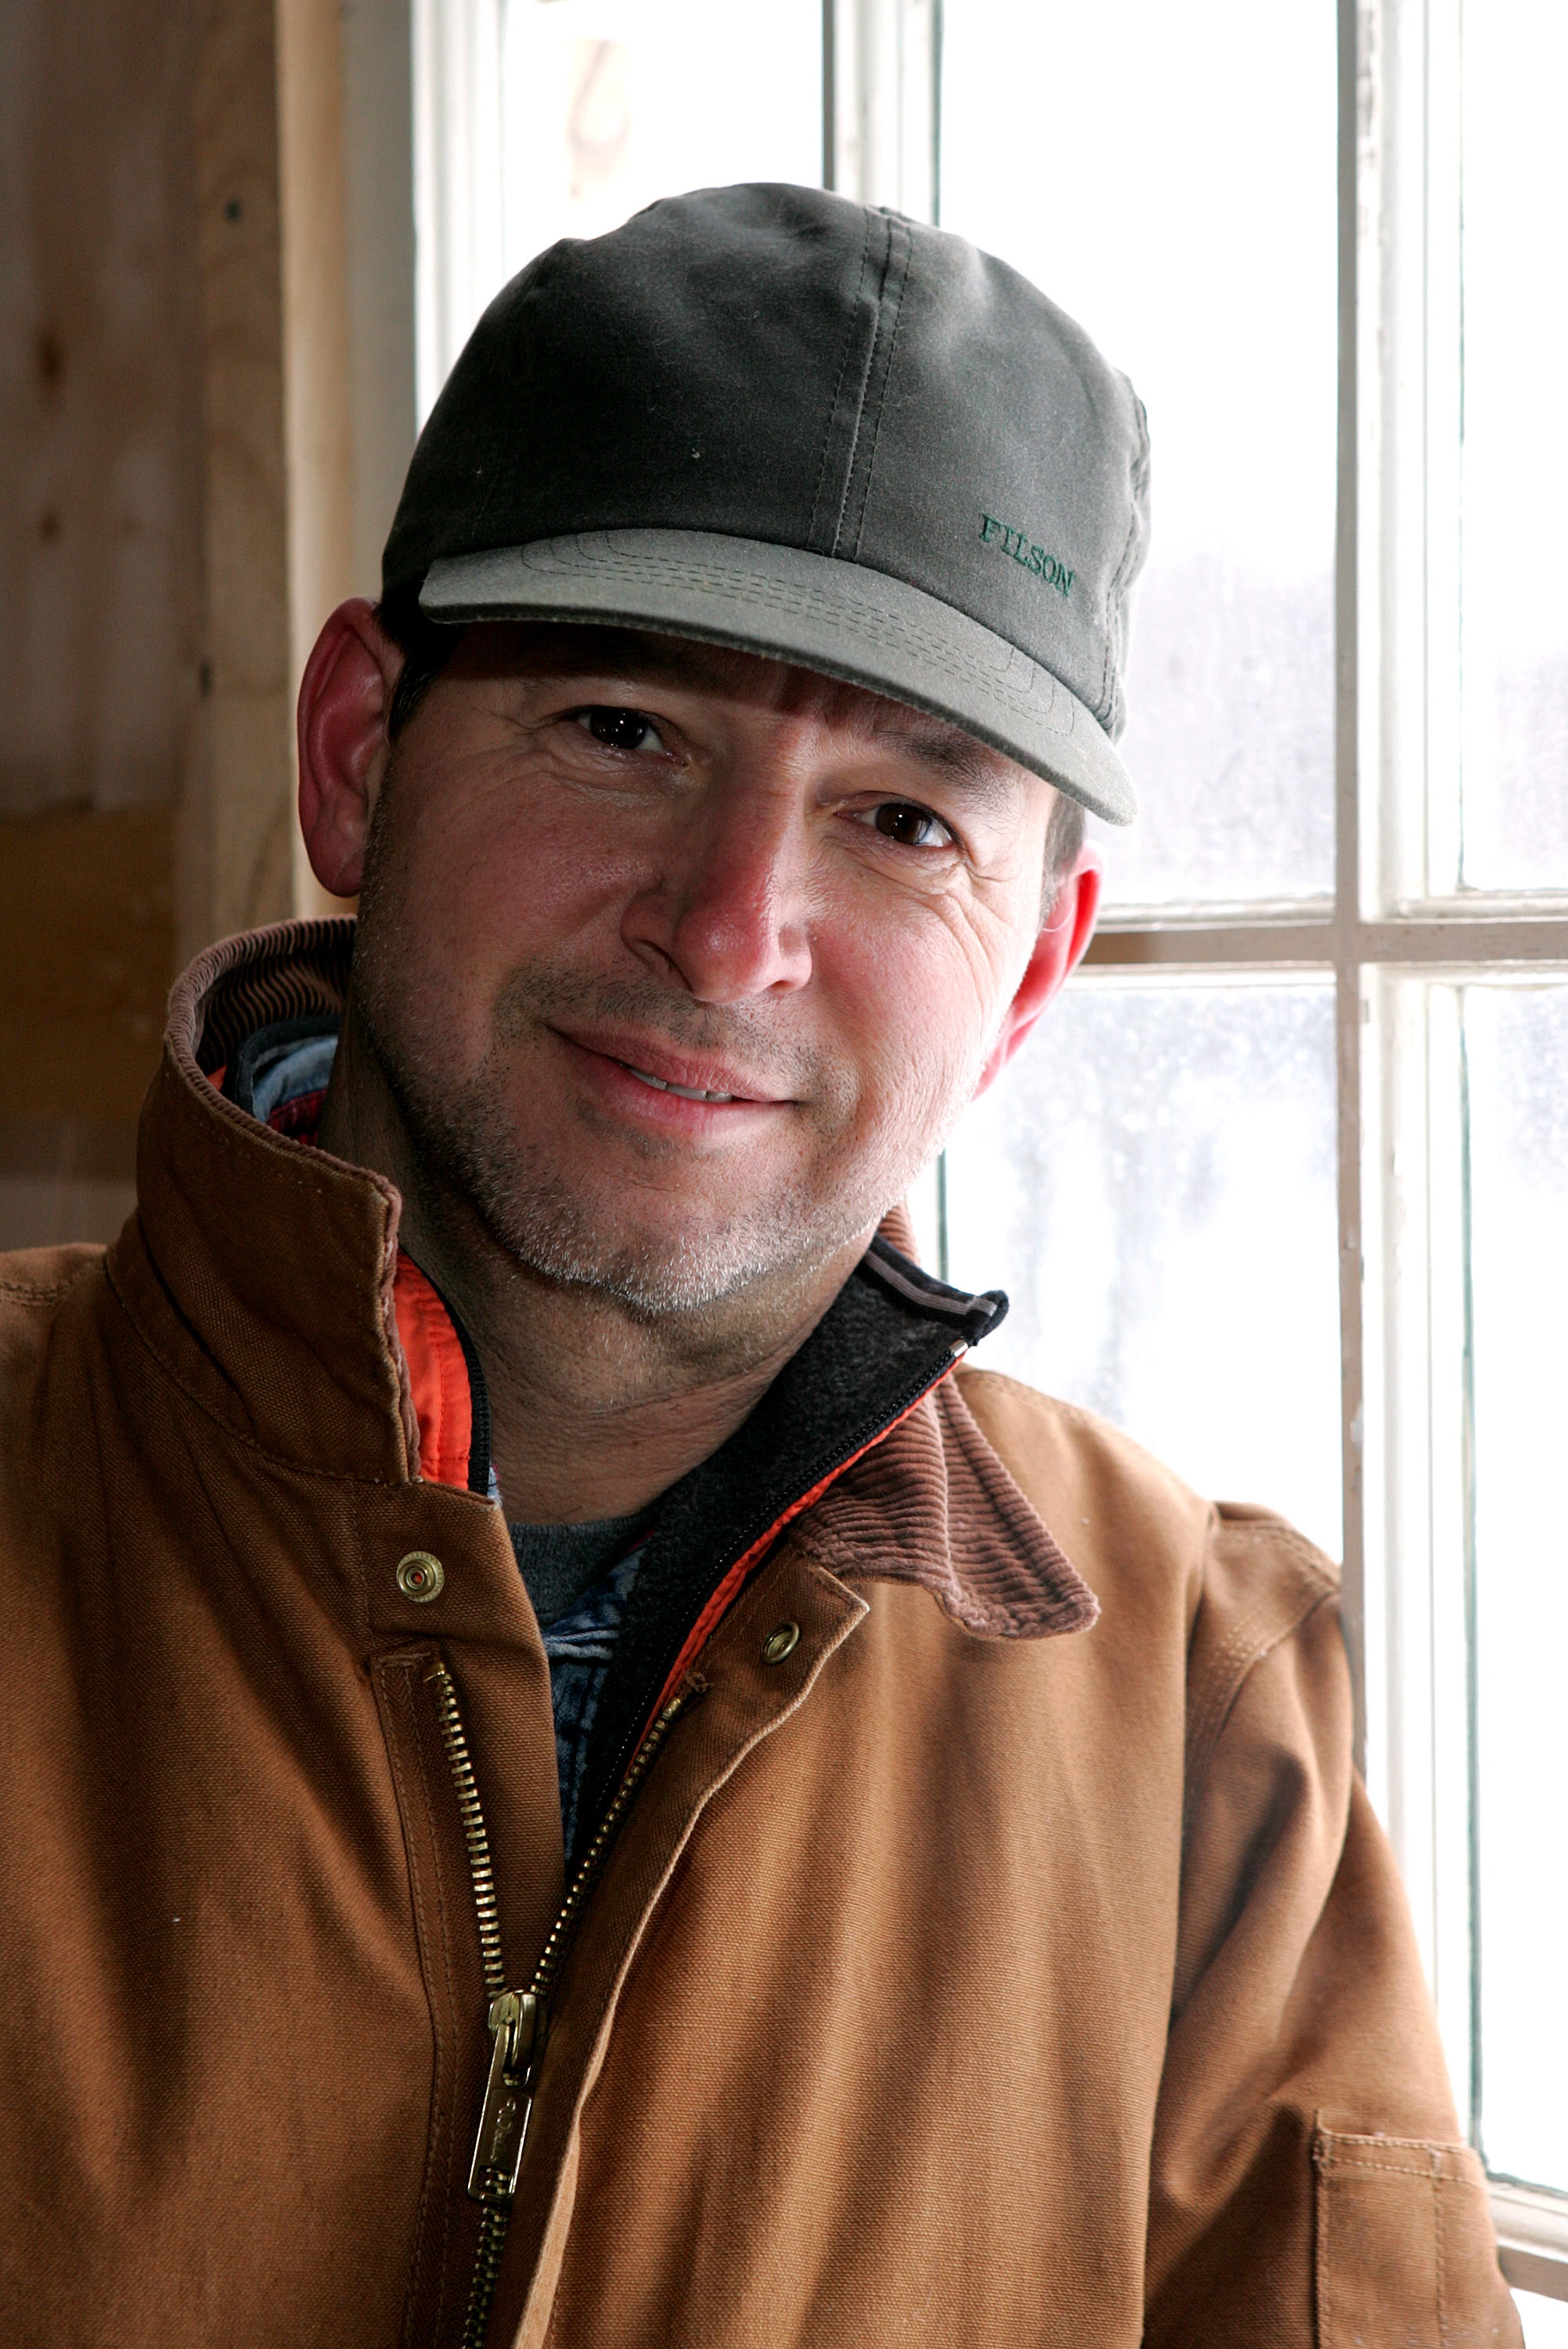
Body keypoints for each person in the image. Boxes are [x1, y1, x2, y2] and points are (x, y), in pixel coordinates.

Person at [0, 184, 1518, 2349]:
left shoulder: (1202, 1696)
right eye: (622, 728)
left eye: (905, 818)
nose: (728, 935)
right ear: (359, 754)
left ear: (1026, 978)